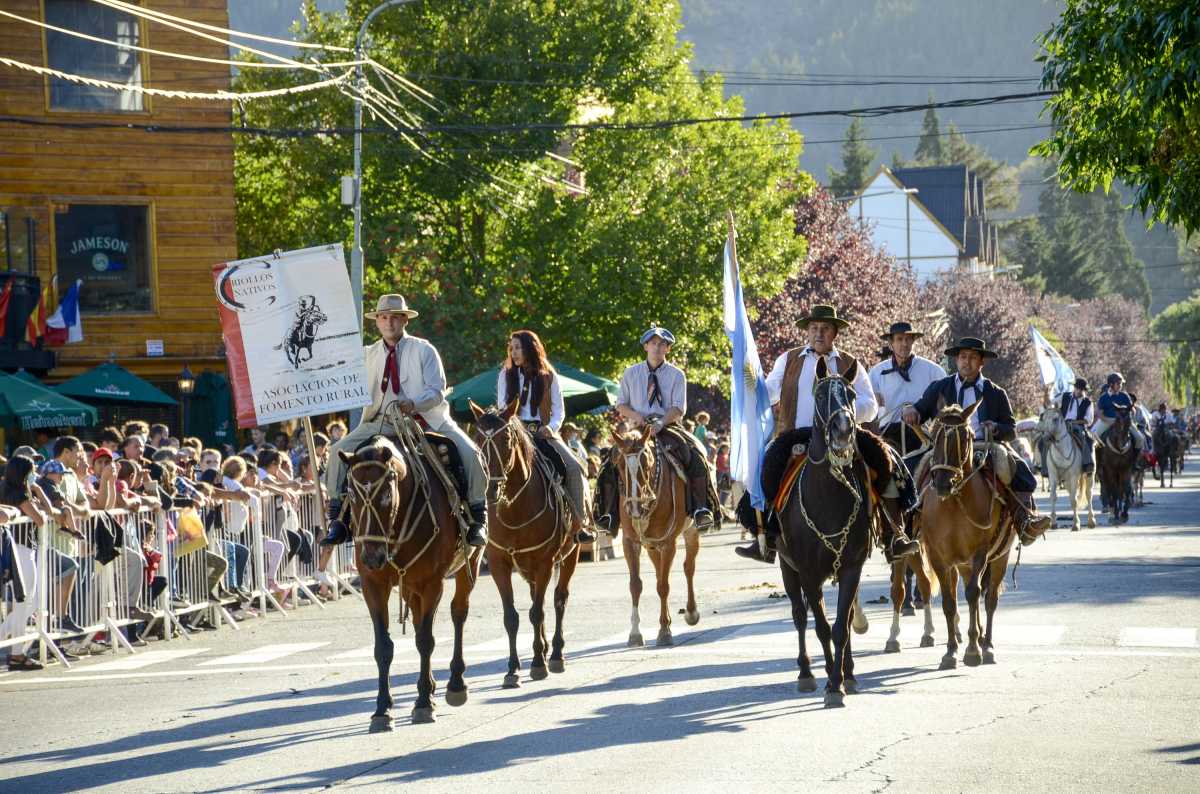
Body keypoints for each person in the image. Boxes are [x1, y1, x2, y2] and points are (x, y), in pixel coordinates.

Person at [736, 305, 917, 563]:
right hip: (796, 434)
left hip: (843, 432)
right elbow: (771, 392)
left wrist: (846, 411)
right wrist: (752, 385)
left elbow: (870, 405)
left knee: (885, 460)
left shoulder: (849, 363)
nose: (819, 333)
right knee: (766, 466)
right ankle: (765, 537)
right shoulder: (788, 359)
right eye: (814, 328)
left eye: (825, 329)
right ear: (807, 331)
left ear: (834, 334)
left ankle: (893, 536)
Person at [322, 294, 488, 548]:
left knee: (472, 453)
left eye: (395, 317)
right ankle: (338, 520)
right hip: (380, 422)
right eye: (384, 317)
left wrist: (414, 403)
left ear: (405, 321)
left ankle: (478, 517)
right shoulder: (366, 354)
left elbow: (436, 391)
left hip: (425, 420)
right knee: (336, 452)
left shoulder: (424, 350)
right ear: (376, 321)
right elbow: (333, 368)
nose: (389, 323)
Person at [902, 336, 1053, 544]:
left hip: (986, 446)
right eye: (963, 357)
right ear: (957, 360)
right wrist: (911, 412)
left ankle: (1025, 522)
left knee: (1020, 471)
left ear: (982, 362)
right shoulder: (940, 387)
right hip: (946, 447)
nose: (967, 362)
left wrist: (997, 428)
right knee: (908, 469)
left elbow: (1010, 430)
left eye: (973, 357)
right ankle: (905, 527)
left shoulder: (995, 393)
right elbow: (920, 409)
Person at [603, 326, 715, 533]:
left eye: (662, 344)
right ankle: (607, 514)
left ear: (668, 349)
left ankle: (701, 509)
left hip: (668, 426)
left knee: (696, 454)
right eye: (653, 343)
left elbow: (679, 407)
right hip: (637, 428)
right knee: (610, 459)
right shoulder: (631, 372)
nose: (657, 347)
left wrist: (660, 422)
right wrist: (638, 416)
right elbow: (621, 404)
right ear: (645, 346)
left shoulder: (676, 374)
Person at [495, 330, 595, 543]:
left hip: (545, 432)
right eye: (511, 348)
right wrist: (516, 428)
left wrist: (551, 427)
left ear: (531, 348)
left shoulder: (549, 375)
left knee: (574, 468)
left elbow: (559, 410)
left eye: (518, 347)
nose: (514, 352)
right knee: (493, 465)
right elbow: (503, 408)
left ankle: (579, 524)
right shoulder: (505, 374)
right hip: (516, 433)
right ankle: (488, 525)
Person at [1, 455, 47, 670]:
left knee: (29, 602)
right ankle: (16, 653)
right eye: (32, 471)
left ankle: (16, 651)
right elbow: (41, 519)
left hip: (20, 549)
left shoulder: (7, 489)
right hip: (21, 549)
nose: (35, 475)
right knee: (26, 601)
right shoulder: (18, 494)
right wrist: (36, 492)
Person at [1092, 373, 1146, 458]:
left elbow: (1133, 410)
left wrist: (1129, 416)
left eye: (1121, 383)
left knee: (1140, 438)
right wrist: (1106, 420)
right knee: (1093, 437)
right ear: (1111, 384)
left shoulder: (1124, 396)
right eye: (1118, 383)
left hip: (1124, 421)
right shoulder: (1104, 397)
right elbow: (1098, 413)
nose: (1120, 386)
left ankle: (1135, 461)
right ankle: (1095, 462)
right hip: (1108, 421)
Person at [1058, 378, 1096, 474]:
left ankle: (1088, 464)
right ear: (1074, 387)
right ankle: (1044, 466)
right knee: (1047, 436)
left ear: (1084, 390)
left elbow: (1088, 420)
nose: (1078, 390)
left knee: (1083, 437)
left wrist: (1075, 422)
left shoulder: (1088, 402)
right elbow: (1051, 403)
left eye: (1081, 389)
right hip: (1062, 424)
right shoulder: (1065, 396)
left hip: (1078, 425)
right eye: (1077, 388)